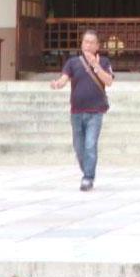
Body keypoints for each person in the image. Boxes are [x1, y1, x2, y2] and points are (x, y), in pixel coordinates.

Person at [50, 28, 115, 191]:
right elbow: (64, 79)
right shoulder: (73, 62)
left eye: (92, 42)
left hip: (96, 112)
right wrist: (57, 84)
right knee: (79, 147)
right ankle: (87, 170)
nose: (88, 45)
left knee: (90, 144)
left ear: (97, 46)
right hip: (77, 112)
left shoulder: (104, 62)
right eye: (86, 41)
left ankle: (88, 177)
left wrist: (96, 66)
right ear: (81, 43)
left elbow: (109, 81)